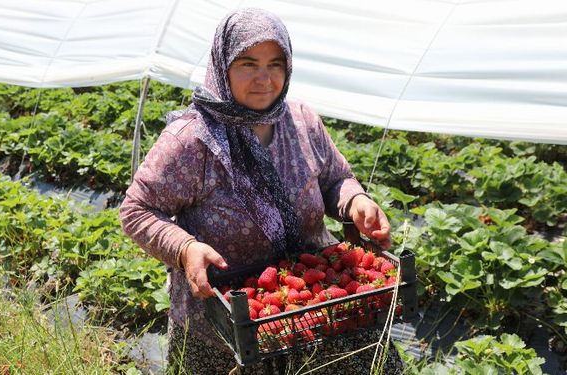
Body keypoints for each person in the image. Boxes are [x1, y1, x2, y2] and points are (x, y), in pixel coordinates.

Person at [120, 8, 402, 374]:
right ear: (222, 65)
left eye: (275, 64)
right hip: (225, 321)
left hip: (317, 309)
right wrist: (185, 248)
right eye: (248, 64)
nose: (264, 79)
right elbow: (137, 209)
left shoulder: (301, 121)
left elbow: (335, 178)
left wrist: (355, 200)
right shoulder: (191, 140)